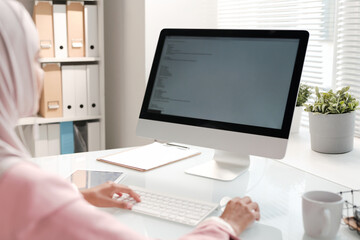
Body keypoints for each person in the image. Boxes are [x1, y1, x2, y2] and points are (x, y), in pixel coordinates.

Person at [0, 0, 260, 239]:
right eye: (35, 59)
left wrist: (75, 197)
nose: (43, 74)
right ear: (8, 70)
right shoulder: (24, 187)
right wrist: (226, 224)